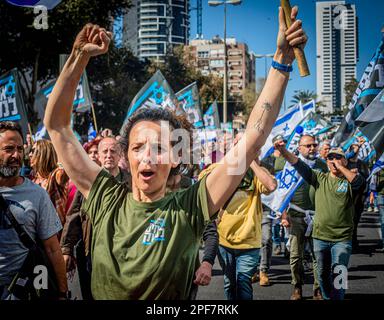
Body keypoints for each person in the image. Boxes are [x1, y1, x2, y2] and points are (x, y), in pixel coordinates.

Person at [43, 10, 307, 299]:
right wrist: (78, 56)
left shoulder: (190, 207)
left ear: (175, 158)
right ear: (125, 156)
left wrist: (281, 61)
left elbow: (253, 141)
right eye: (137, 147)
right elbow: (57, 126)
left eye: (158, 148)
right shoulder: (106, 198)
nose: (147, 157)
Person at [275, 140, 365, 300]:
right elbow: (298, 164)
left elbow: (360, 184)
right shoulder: (319, 178)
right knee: (322, 275)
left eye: (338, 157)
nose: (333, 160)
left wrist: (342, 167)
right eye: (330, 158)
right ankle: (326, 296)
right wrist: (283, 151)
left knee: (339, 271)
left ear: (345, 160)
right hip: (320, 237)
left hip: (342, 239)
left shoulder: (349, 182)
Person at [199, 133, 277, 300]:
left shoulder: (255, 173)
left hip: (249, 242)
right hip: (224, 240)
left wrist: (250, 160)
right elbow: (202, 185)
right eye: (237, 144)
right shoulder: (218, 168)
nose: (241, 148)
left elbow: (271, 185)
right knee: (229, 283)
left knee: (243, 282)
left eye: (244, 144)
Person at [0, 121, 68, 300]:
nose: (17, 155)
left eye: (20, 149)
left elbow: (53, 248)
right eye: (9, 149)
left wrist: (62, 294)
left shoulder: (37, 195)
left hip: (22, 289)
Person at [61, 136, 130, 300]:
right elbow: (74, 216)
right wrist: (67, 249)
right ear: (98, 156)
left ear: (120, 155)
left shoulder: (132, 182)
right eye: (104, 151)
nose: (109, 155)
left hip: (125, 252)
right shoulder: (88, 182)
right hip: (93, 252)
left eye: (113, 151)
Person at [283, 134, 328, 300]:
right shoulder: (290, 165)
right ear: (299, 148)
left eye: (314, 145)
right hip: (296, 216)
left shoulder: (322, 165)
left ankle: (318, 288)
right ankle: (297, 286)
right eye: (308, 145)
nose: (312, 148)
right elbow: (283, 192)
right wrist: (284, 215)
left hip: (317, 216)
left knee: (318, 255)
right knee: (296, 256)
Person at [29, 139, 69, 226]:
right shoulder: (33, 179)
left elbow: (65, 171)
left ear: (44, 153)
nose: (30, 154)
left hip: (55, 231)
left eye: (33, 151)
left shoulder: (56, 175)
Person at [346, 139, 369, 252]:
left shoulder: (361, 163)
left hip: (359, 198)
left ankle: (354, 242)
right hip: (347, 198)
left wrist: (358, 174)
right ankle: (347, 242)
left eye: (358, 150)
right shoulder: (345, 163)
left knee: (355, 221)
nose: (357, 151)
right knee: (347, 221)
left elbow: (366, 176)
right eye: (355, 150)